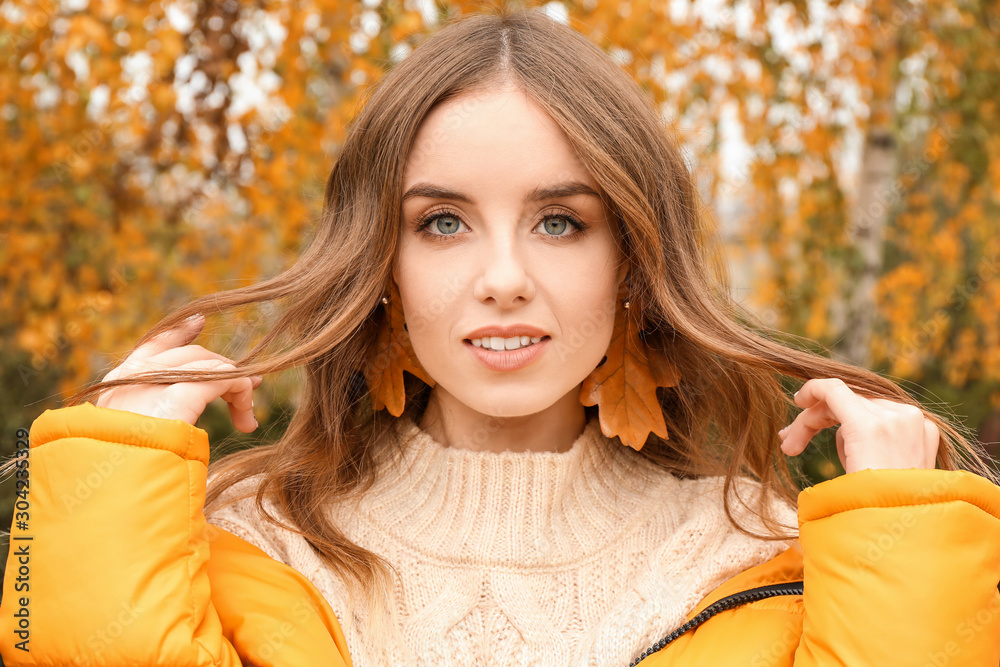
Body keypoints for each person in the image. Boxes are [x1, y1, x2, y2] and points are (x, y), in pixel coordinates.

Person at [3, 5, 1000, 666]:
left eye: (561, 221)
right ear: (380, 268)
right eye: (441, 222)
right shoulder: (238, 538)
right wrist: (112, 470)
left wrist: (898, 533)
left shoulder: (761, 553)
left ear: (634, 267)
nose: (504, 278)